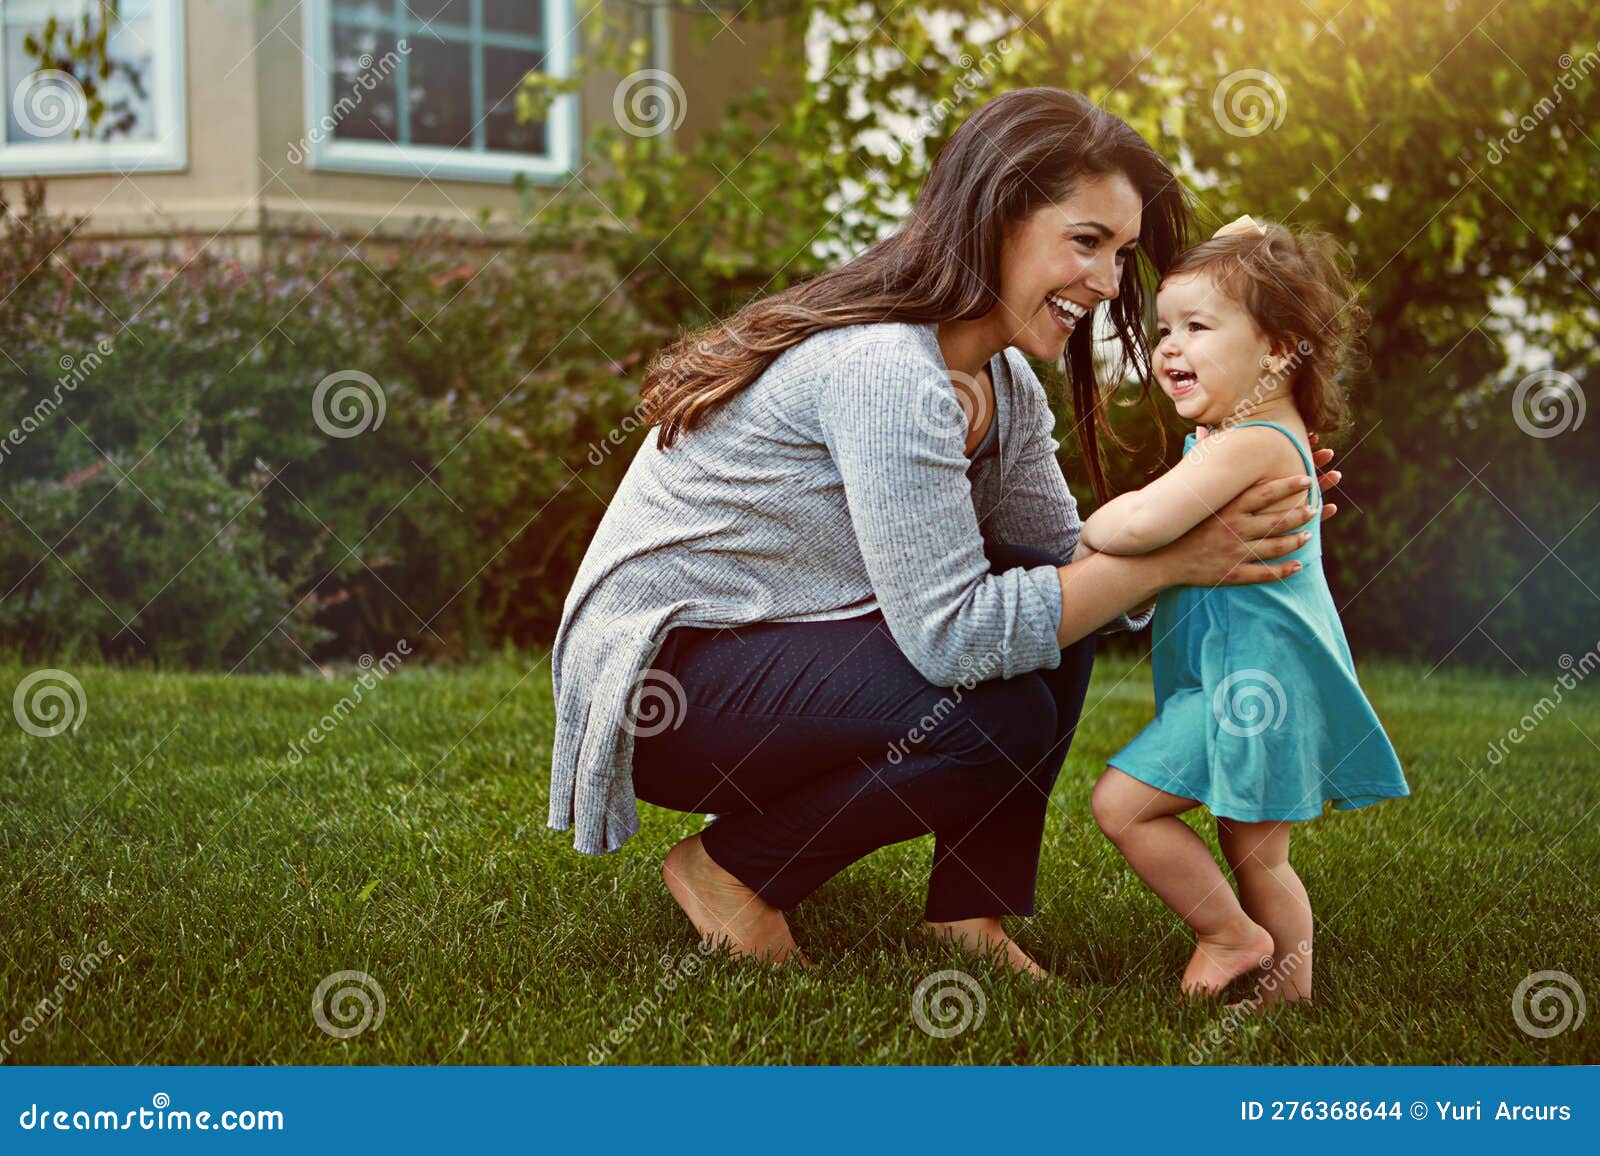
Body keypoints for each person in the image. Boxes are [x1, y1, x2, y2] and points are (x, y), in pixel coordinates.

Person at [547, 89, 1342, 975]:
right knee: (993, 708)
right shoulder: (885, 365)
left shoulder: (999, 375)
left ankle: (971, 910)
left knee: (1050, 601)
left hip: (777, 649)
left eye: (1121, 255)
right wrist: (1183, 559)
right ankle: (731, 867)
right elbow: (956, 636)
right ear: (996, 215)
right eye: (1086, 242)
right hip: (669, 686)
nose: (1112, 284)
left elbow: (1073, 560)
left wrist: (1235, 510)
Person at [1085, 215, 1408, 1006]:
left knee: (1123, 806)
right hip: (1247, 678)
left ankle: (1230, 935)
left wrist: (1088, 524)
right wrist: (1244, 242)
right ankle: (1288, 996)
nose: (1168, 348)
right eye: (1165, 328)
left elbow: (1140, 525)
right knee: (1259, 854)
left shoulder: (1252, 441)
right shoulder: (1243, 430)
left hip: (1253, 687)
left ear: (1277, 349)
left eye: (1197, 327)